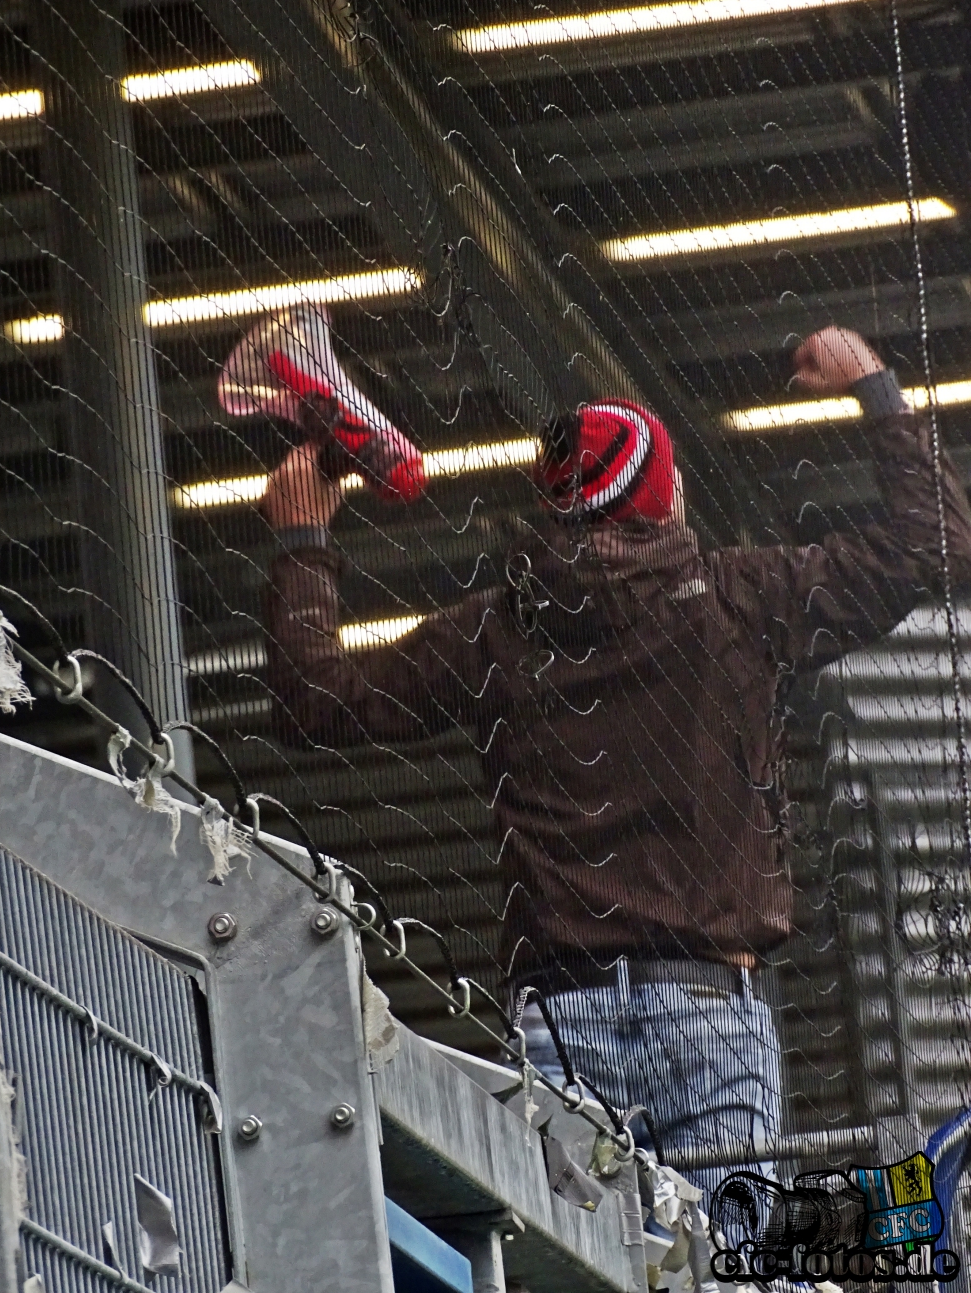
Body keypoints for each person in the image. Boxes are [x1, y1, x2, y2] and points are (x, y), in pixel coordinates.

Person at [253, 320, 971, 1197]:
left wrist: (302, 541)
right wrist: (872, 386)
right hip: (709, 1006)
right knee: (721, 1262)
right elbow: (936, 543)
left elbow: (316, 702)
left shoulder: (494, 632)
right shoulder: (740, 602)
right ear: (666, 499)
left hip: (560, 1015)